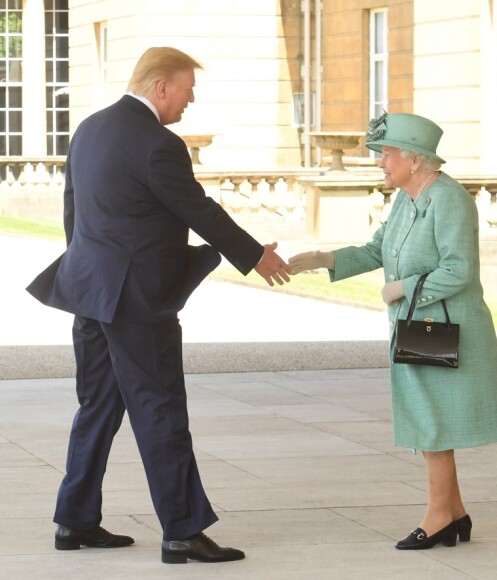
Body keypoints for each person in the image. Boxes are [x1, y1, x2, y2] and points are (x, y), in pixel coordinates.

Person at [26, 47, 292, 565]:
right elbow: (197, 210)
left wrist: (89, 274)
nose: (191, 99)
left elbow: (73, 214)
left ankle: (74, 520)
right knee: (161, 407)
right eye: (188, 89)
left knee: (97, 407)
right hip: (136, 302)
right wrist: (255, 255)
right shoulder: (158, 144)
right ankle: (182, 531)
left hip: (90, 291)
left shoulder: (90, 129)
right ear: (160, 86)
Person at [289, 112, 497, 550]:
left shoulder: (449, 199)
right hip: (420, 324)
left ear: (416, 160)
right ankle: (454, 513)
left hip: (447, 327)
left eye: (386, 154)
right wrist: (324, 259)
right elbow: (378, 248)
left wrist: (403, 287)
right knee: (430, 417)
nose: (380, 163)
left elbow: (459, 269)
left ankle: (437, 517)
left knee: (433, 422)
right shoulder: (407, 199)